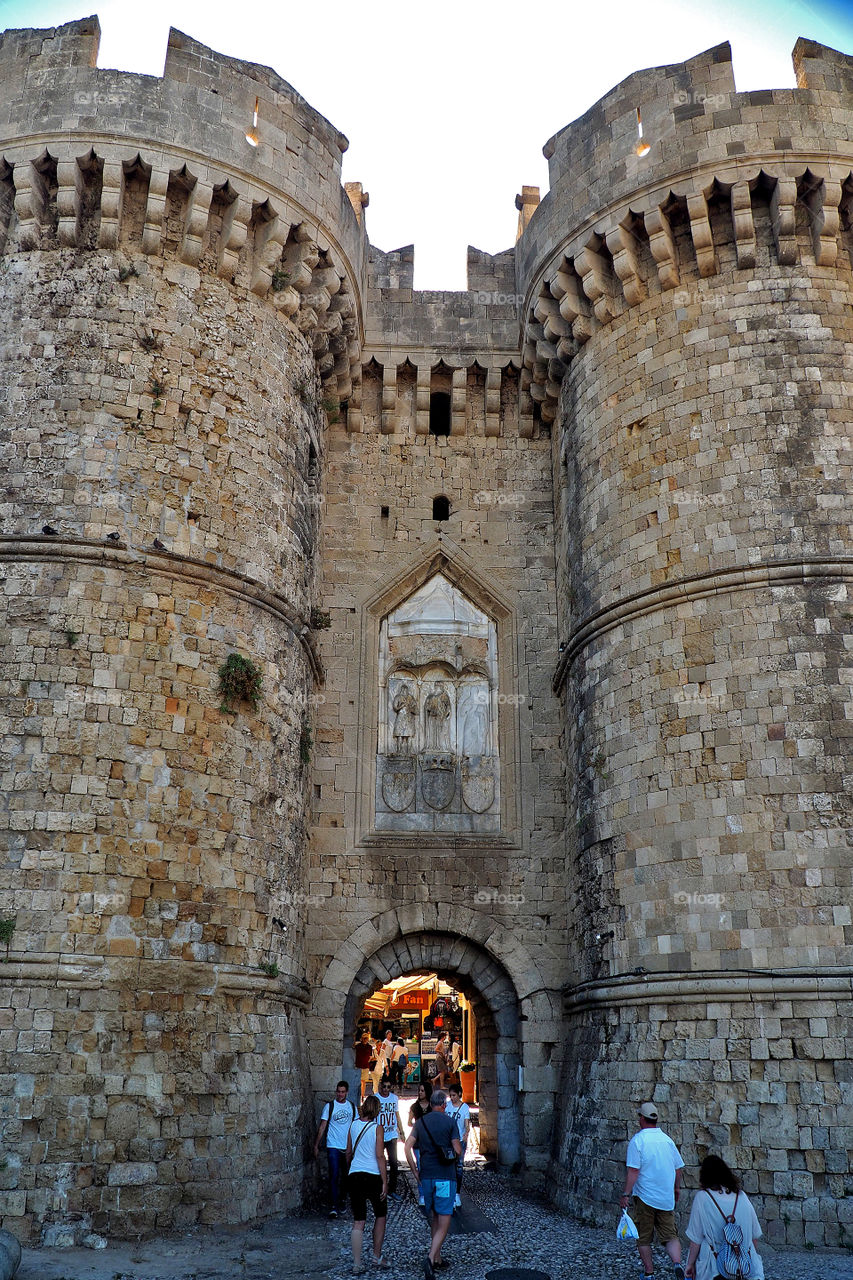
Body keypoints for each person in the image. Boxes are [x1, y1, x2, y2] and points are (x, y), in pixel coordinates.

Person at [620, 1101, 686, 1280]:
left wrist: (626, 1193)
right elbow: (678, 1168)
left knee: (644, 1237)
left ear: (641, 1118)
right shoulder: (667, 1140)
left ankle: (649, 1273)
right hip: (665, 1197)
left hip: (645, 1197)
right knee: (670, 1235)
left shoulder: (638, 1141)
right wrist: (676, 1188)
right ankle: (677, 1264)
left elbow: (634, 1170)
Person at [405, 1087, 462, 1280]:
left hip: (426, 1176)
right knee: (445, 1218)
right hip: (445, 1176)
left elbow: (407, 1146)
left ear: (430, 1104)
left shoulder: (421, 1122)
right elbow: (458, 1150)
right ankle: (430, 1258)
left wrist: (414, 1171)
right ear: (444, 1105)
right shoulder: (450, 1122)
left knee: (435, 1216)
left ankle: (438, 1257)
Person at [684, 1155, 764, 1280]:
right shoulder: (741, 1196)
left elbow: (696, 1239)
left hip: (715, 1268)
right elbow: (754, 1236)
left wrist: (690, 1264)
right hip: (745, 1268)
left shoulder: (703, 1198)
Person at [346, 1093, 389, 1275]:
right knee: (380, 1215)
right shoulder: (377, 1128)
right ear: (377, 1109)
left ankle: (357, 1264)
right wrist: (385, 1181)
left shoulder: (353, 1125)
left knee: (359, 1220)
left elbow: (348, 1152)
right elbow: (380, 1155)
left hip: (355, 1174)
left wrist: (351, 1168)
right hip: (372, 1175)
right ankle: (376, 1255)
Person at [313, 1080, 357, 1218]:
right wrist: (316, 1145)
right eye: (338, 1091)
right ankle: (333, 1205)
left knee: (346, 1176)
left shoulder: (352, 1107)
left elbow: (355, 1127)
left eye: (343, 1092)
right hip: (333, 1145)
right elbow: (322, 1126)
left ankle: (342, 1200)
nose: (340, 1094)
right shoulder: (329, 1107)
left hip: (346, 1147)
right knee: (333, 1175)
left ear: (347, 1092)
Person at [376, 1077, 404, 1199]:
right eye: (384, 1086)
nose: (386, 1089)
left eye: (389, 1087)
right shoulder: (375, 1098)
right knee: (378, 1162)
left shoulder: (394, 1098)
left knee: (393, 1162)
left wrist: (401, 1131)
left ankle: (392, 1189)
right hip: (379, 1135)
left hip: (392, 1134)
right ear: (380, 1086)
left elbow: (397, 1115)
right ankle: (380, 1188)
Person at [445, 1082, 470, 1209]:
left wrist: (466, 1134)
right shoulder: (447, 1106)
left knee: (459, 1166)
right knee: (448, 1165)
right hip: (448, 1140)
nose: (452, 1098)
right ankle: (449, 1192)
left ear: (459, 1094)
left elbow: (466, 1123)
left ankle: (457, 1193)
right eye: (450, 1095)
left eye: (454, 1095)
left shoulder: (465, 1107)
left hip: (459, 1140)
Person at [408, 1079, 433, 1208]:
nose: (420, 1092)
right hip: (418, 1142)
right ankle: (422, 1194)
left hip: (430, 1142)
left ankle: (430, 1192)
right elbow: (409, 1122)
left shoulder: (432, 1106)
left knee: (430, 1166)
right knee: (420, 1166)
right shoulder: (414, 1107)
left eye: (422, 1091)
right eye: (419, 1090)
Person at [354, 1031, 376, 1100]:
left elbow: (370, 1056)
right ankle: (359, 1095)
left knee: (363, 1082)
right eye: (364, 1038)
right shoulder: (357, 1046)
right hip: (358, 1066)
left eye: (366, 1038)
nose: (365, 1039)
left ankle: (362, 1095)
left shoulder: (369, 1047)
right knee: (358, 1082)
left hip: (365, 1066)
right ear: (361, 1038)